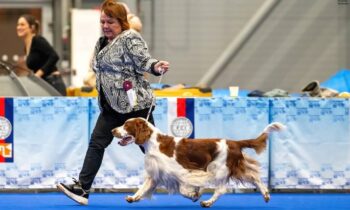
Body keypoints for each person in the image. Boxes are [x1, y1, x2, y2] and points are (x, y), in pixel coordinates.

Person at [57, 0, 169, 205]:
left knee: (153, 149)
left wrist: (156, 66)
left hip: (135, 106)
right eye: (103, 21)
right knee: (97, 143)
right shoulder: (101, 41)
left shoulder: (130, 38)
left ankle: (185, 178)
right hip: (110, 106)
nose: (106, 25)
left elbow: (145, 61)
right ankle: (83, 189)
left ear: (122, 22)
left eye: (110, 22)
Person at [16, 14, 67, 96]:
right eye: (18, 24)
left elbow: (54, 56)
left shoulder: (37, 40)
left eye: (22, 24)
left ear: (31, 27)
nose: (18, 27)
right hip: (44, 84)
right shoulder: (26, 47)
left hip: (53, 83)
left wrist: (39, 73)